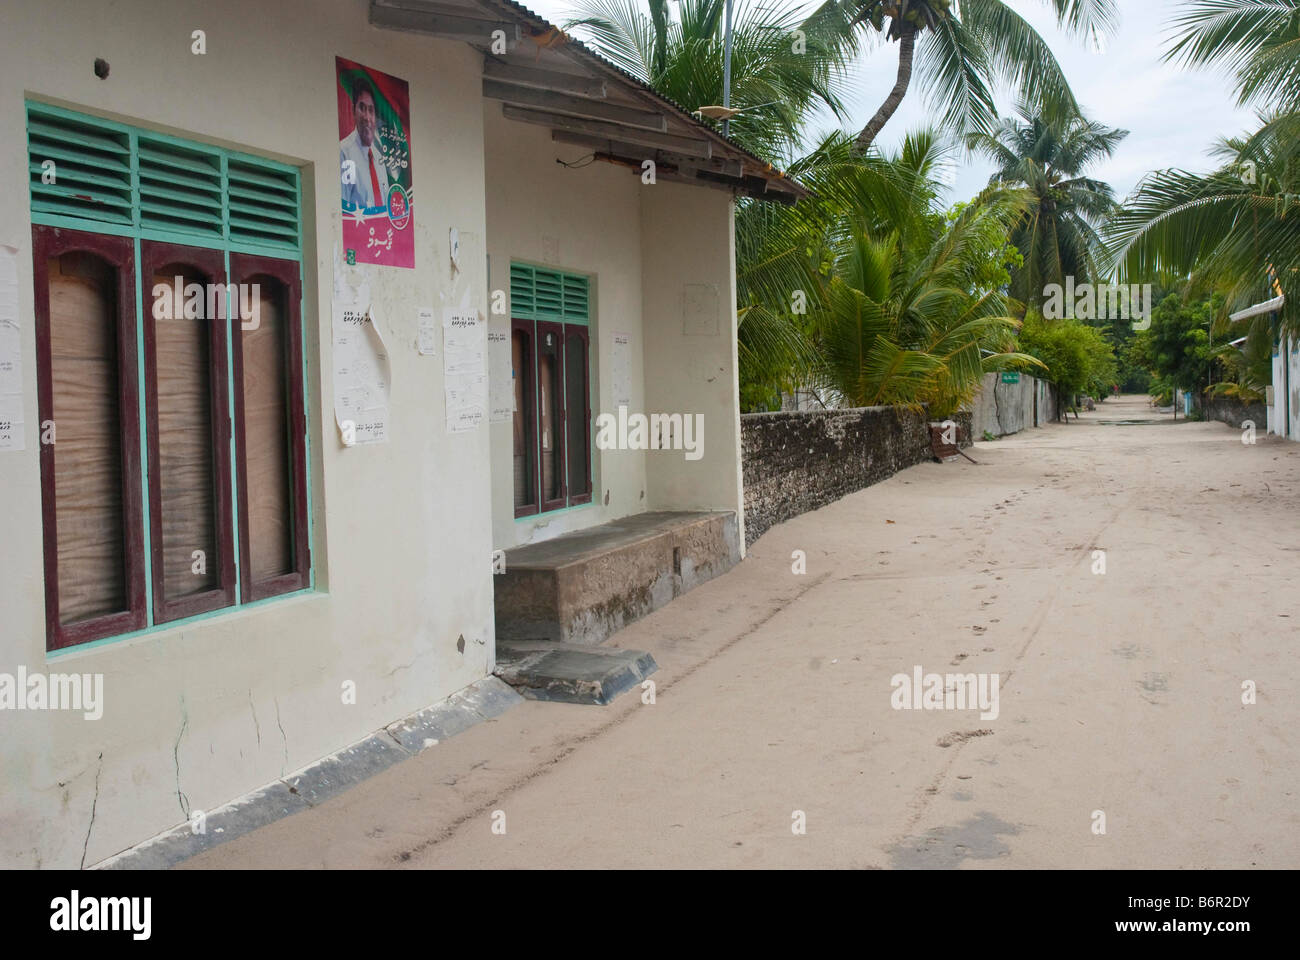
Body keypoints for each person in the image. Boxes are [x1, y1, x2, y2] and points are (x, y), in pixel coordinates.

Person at [339, 77, 390, 211]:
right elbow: (343, 209)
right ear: (353, 111)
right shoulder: (344, 153)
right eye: (362, 108)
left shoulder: (379, 158)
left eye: (371, 110)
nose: (367, 117)